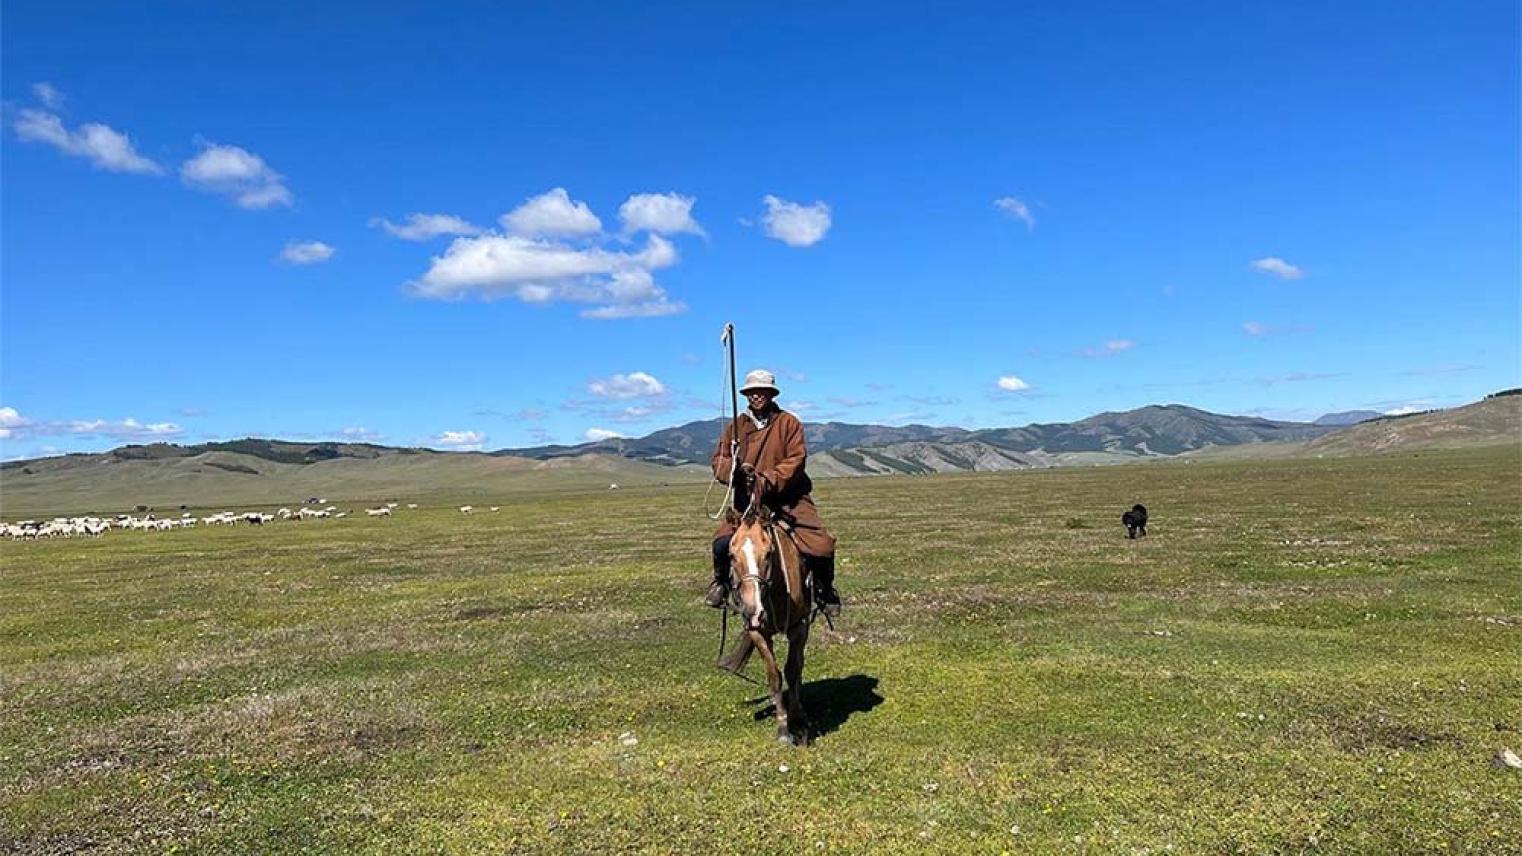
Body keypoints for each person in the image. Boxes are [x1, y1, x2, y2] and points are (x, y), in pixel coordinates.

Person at [707, 369, 841, 617]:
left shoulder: (789, 423)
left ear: (771, 394)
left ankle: (824, 590)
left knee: (821, 546)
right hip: (747, 505)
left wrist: (766, 479)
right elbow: (719, 460)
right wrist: (732, 471)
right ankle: (722, 584)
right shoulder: (735, 428)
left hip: (789, 499)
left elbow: (796, 460)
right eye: (752, 392)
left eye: (762, 391)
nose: (757, 396)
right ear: (746, 395)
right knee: (722, 542)